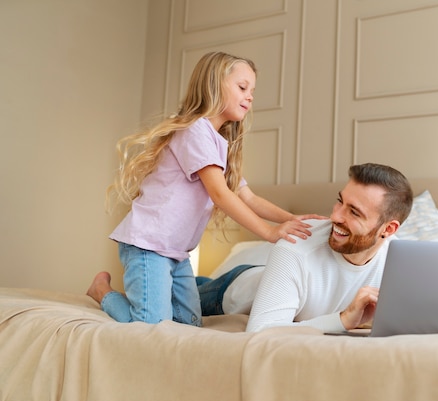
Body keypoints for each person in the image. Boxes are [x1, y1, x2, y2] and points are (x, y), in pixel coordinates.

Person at [86, 51, 322, 327]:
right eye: (242, 87)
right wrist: (269, 232)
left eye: (252, 91)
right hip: (149, 244)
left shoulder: (217, 143)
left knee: (189, 325)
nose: (250, 96)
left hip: (176, 252)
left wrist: (291, 220)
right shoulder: (195, 131)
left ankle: (153, 294)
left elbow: (248, 197)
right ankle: (101, 291)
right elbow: (221, 194)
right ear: (214, 84)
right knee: (151, 327)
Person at [196, 162, 414, 333]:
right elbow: (261, 331)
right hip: (227, 292)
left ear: (389, 229)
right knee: (181, 293)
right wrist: (342, 320)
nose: (335, 216)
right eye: (340, 202)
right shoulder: (296, 246)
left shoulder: (400, 260)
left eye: (354, 212)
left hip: (271, 280)